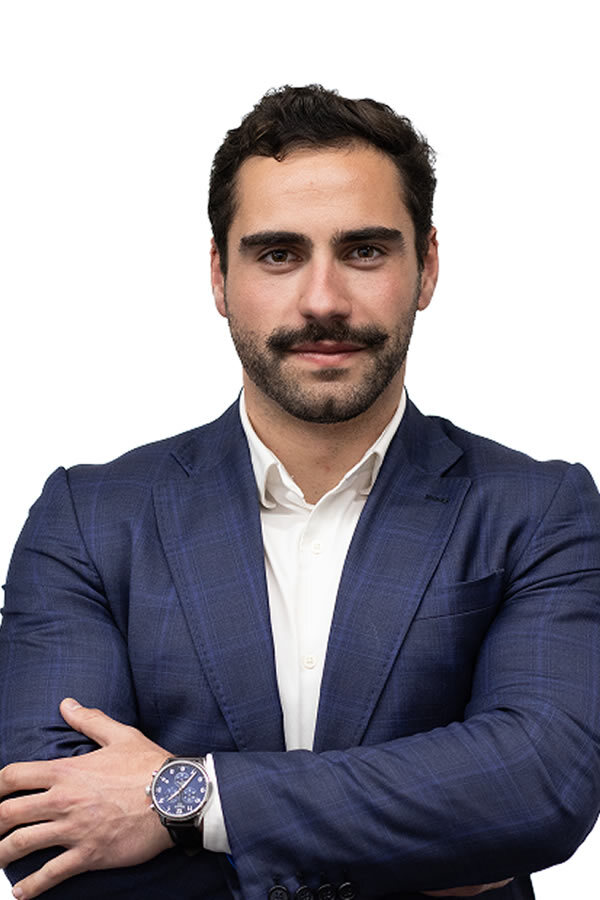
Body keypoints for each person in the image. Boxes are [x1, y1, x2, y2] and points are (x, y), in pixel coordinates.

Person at [0, 85, 599, 900]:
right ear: (220, 276)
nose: (323, 301)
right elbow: (43, 836)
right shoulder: (88, 520)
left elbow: (540, 788)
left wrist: (188, 802)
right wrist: (435, 844)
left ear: (426, 267)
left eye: (365, 251)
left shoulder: (539, 512)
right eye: (279, 254)